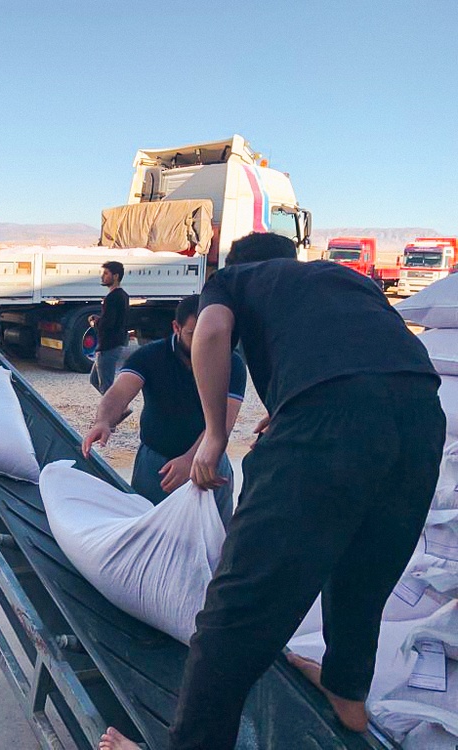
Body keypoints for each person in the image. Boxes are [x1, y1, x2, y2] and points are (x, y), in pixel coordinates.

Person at [98, 232, 445, 750]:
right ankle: (347, 692)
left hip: (329, 419)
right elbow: (363, 357)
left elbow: (213, 330)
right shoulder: (344, 278)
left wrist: (214, 437)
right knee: (363, 573)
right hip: (420, 417)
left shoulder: (235, 279)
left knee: (236, 610)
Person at [82, 295, 245, 525]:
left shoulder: (231, 362)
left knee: (214, 541)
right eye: (193, 334)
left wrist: (191, 460)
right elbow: (118, 393)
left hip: (208, 464)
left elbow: (223, 424)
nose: (203, 343)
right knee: (148, 535)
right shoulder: (150, 356)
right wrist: (103, 421)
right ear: (176, 328)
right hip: (155, 468)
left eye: (209, 335)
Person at [88, 261, 130, 394]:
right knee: (95, 380)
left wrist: (95, 323)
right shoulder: (123, 295)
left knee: (106, 386)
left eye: (106, 273)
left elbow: (109, 323)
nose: (102, 277)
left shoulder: (113, 297)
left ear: (116, 276)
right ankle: (119, 408)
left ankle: (116, 410)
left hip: (108, 346)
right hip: (112, 344)